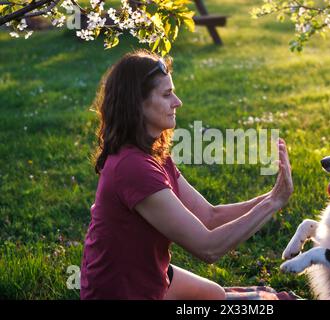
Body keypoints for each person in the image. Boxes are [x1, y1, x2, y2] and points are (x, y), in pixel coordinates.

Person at [80, 49, 294, 300]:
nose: (177, 102)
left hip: (148, 277)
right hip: (121, 293)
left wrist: (272, 196)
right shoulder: (132, 168)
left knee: (214, 294)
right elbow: (209, 248)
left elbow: (210, 216)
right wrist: (273, 203)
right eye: (167, 94)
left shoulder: (153, 154)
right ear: (137, 103)